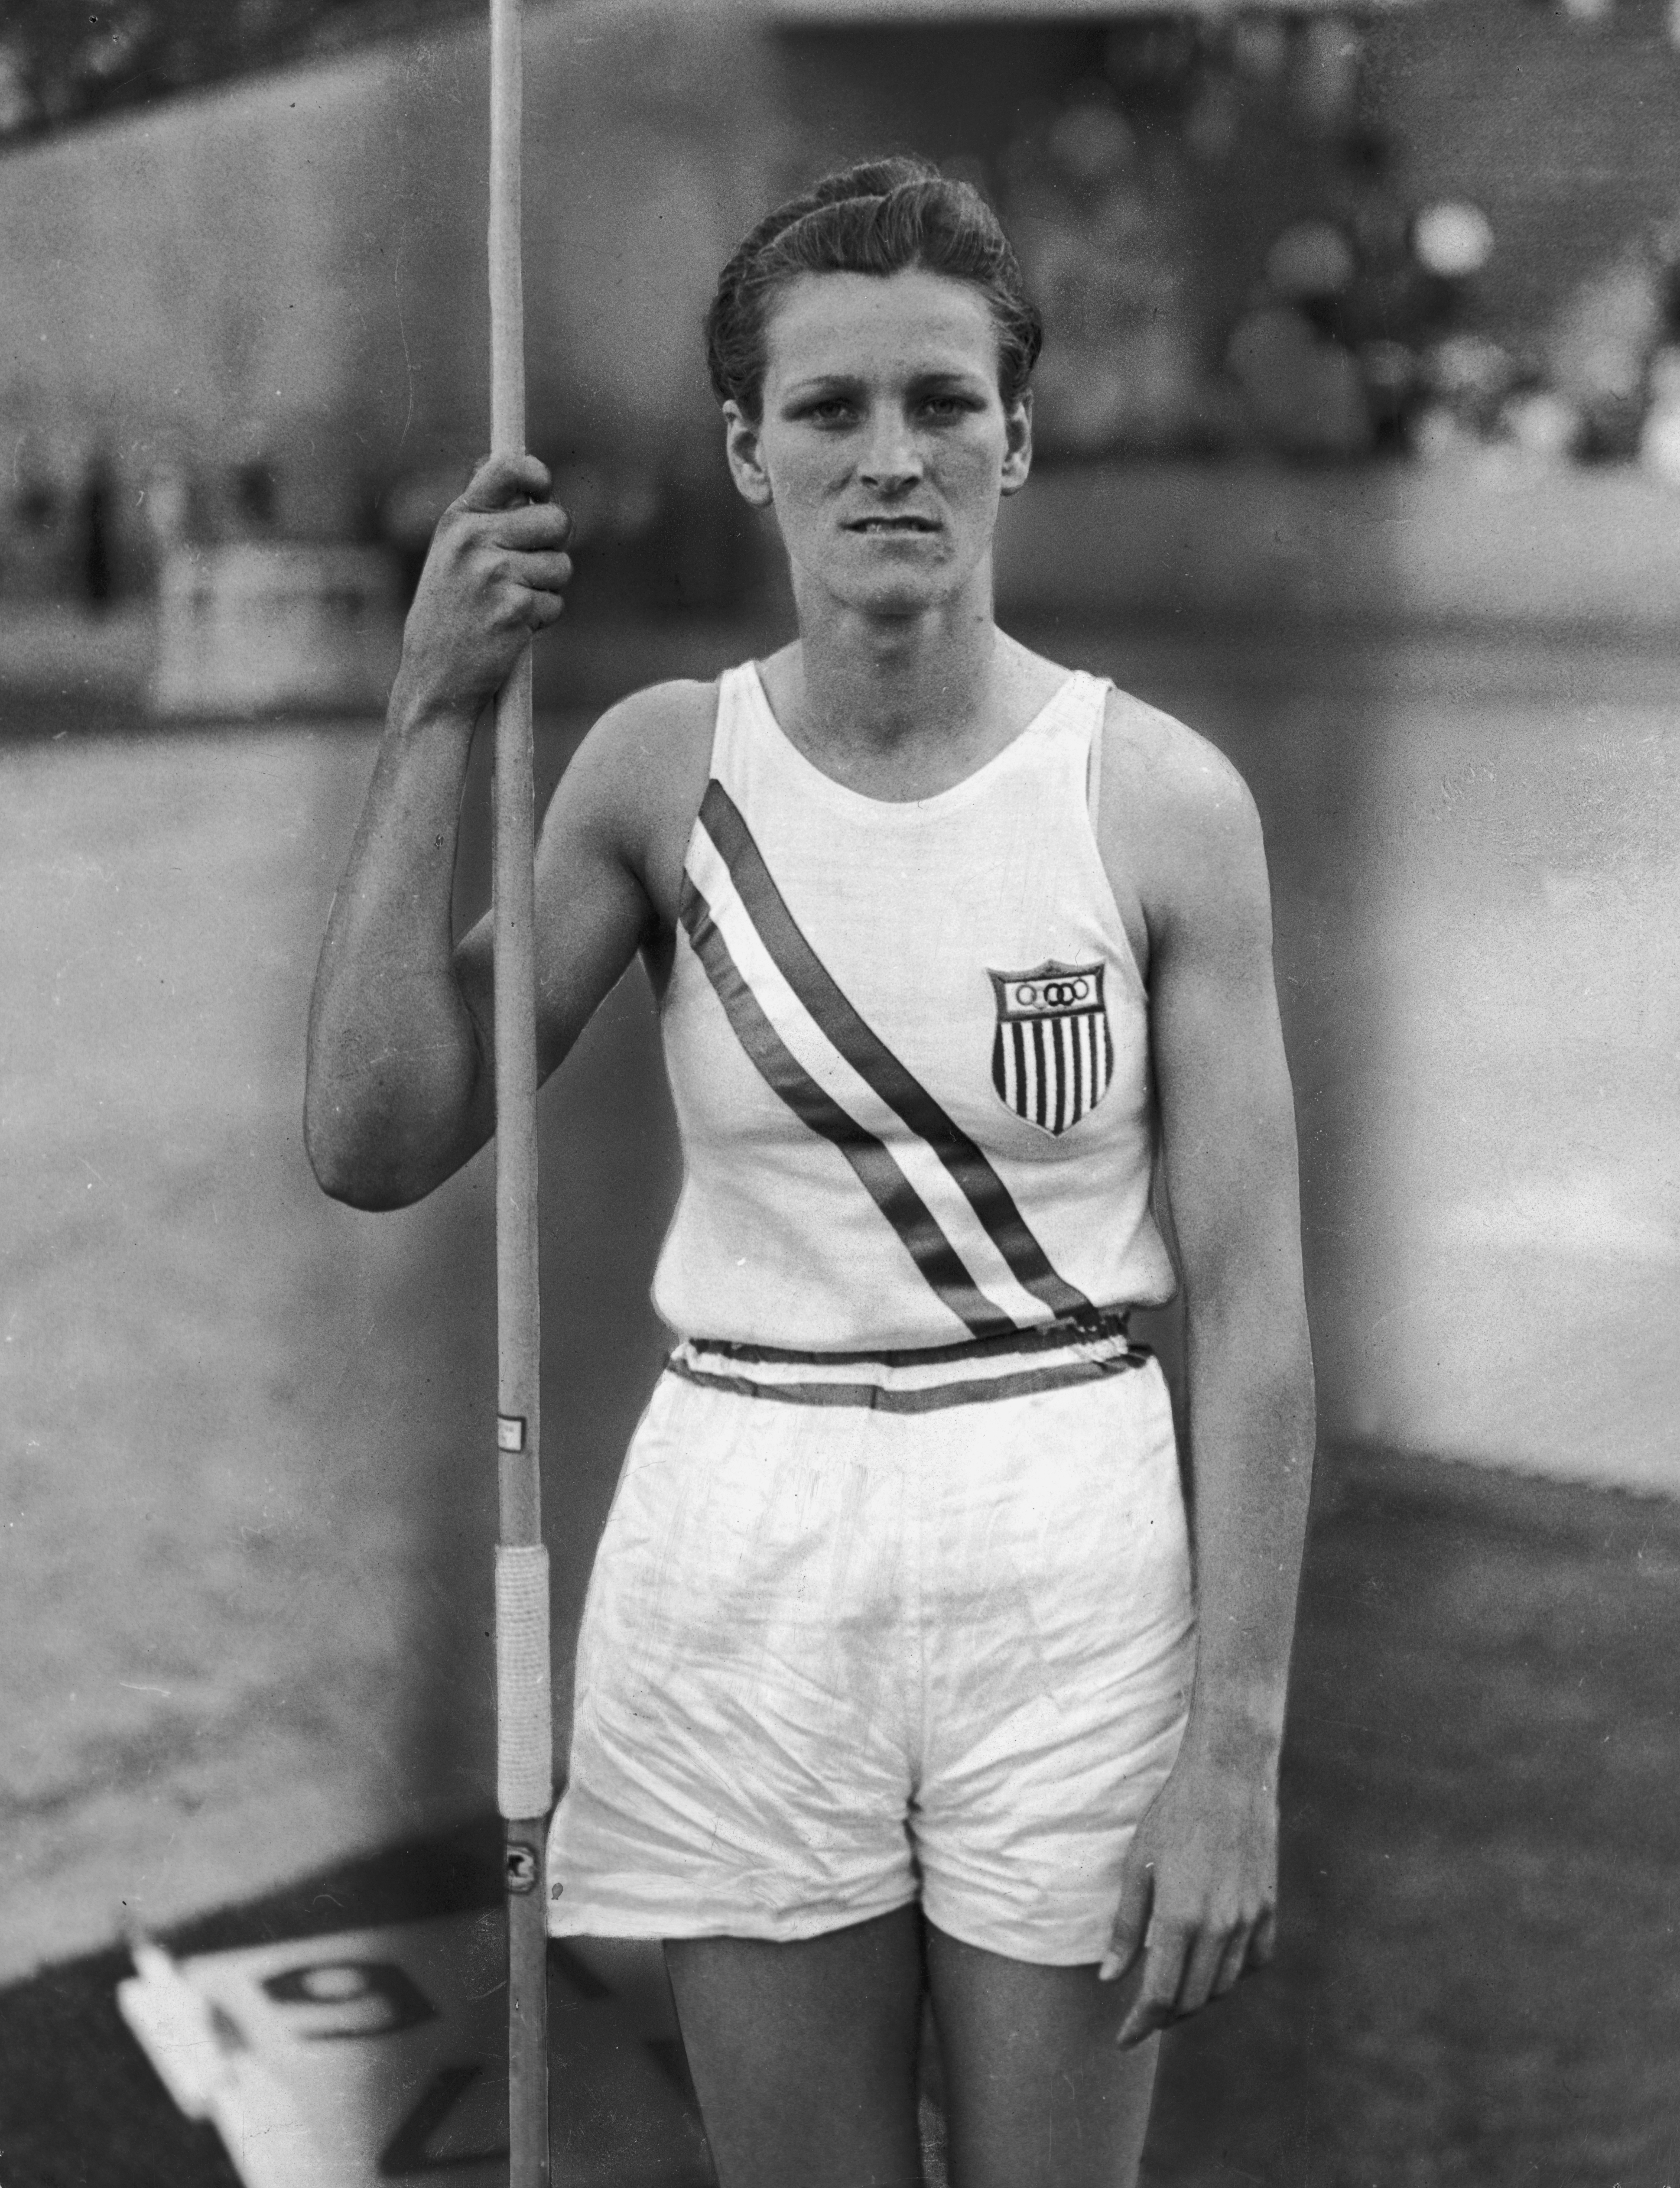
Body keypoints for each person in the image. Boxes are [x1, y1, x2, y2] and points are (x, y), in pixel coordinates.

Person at [306, 158, 1314, 2188]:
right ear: (748, 448)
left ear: (1017, 438)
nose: (891, 459)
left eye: (943, 403)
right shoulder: (665, 770)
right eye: (833, 410)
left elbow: (1262, 1309)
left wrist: (1239, 1745)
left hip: (1066, 1522)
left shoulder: (1160, 800)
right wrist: (436, 711)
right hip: (748, 1527)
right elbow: (379, 1135)